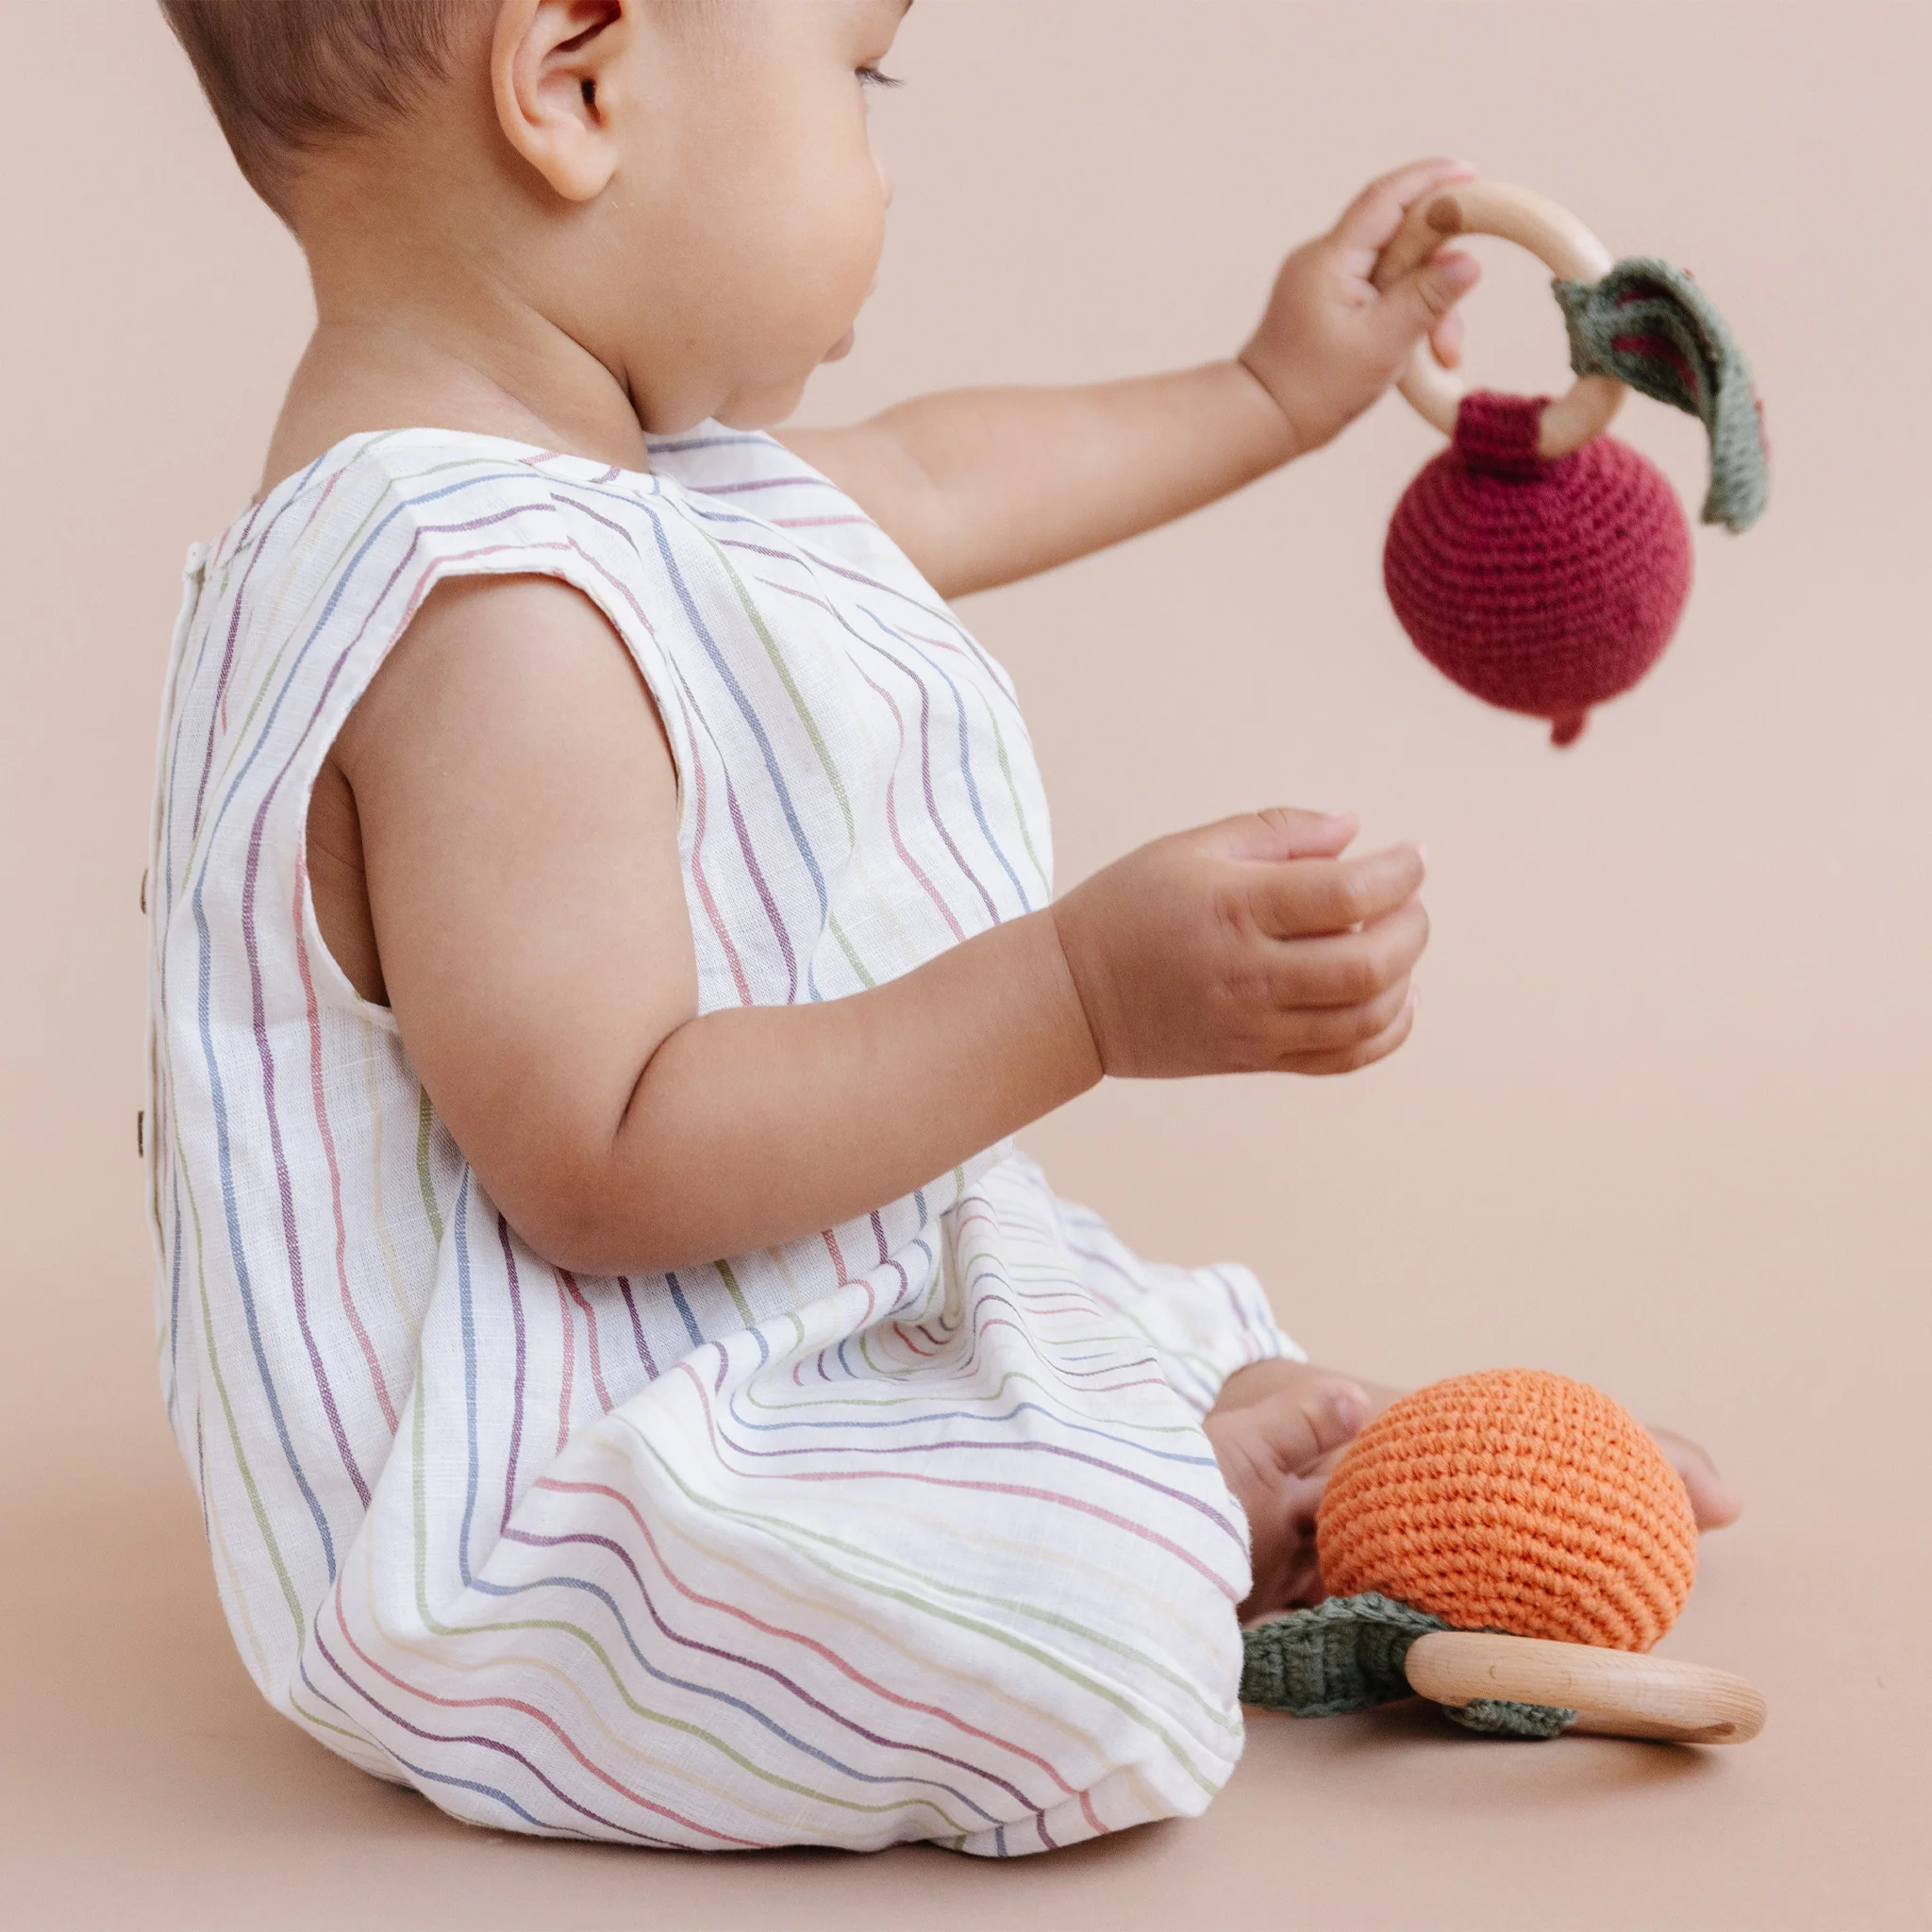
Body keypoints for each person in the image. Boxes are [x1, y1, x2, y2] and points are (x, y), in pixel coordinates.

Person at [147, 0, 1739, 1857]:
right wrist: (1084, 990)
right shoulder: (488, 608)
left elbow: (946, 472)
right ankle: (1184, 1513)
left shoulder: (619, 486)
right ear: (574, 80)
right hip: (533, 1506)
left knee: (1090, 1301)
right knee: (1091, 1620)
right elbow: (607, 1159)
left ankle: (1224, 1444)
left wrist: (1264, 389)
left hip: (751, 1305)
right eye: (859, 76)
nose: (883, 160)